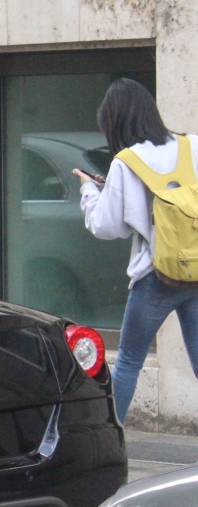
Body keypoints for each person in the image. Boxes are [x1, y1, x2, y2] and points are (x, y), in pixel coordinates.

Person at [76, 78, 198, 424]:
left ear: (115, 122)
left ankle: (107, 439)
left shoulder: (127, 162)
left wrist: (89, 191)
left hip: (156, 277)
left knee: (129, 360)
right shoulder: (194, 145)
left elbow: (107, 226)